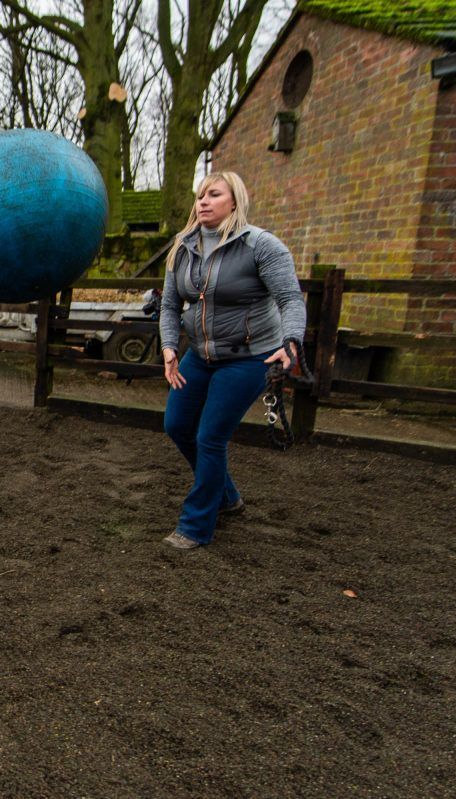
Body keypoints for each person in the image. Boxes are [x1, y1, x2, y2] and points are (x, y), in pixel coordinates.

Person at [157, 172, 306, 549]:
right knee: (176, 425)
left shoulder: (261, 246)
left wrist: (291, 342)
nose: (202, 201)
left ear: (234, 202)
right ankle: (226, 496)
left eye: (213, 194)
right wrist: (170, 346)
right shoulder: (183, 246)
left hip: (249, 357)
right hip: (201, 355)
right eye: (200, 196)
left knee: (210, 437)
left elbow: (290, 298)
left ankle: (195, 526)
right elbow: (170, 304)